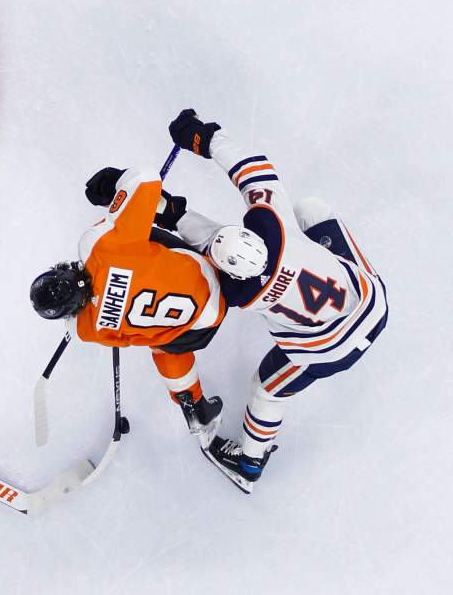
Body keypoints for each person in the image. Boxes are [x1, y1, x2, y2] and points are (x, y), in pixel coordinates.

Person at [167, 109, 389, 493]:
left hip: (328, 349)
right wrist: (204, 138)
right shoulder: (278, 226)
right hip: (373, 303)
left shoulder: (239, 293)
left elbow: (204, 238)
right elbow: (253, 167)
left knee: (266, 388)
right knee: (310, 210)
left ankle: (250, 465)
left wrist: (167, 212)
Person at [30, 161, 229, 446]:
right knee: (137, 235)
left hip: (199, 329)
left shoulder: (87, 329)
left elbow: (94, 328)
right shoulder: (96, 246)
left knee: (160, 344)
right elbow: (146, 178)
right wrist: (113, 187)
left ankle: (194, 407)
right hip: (211, 274)